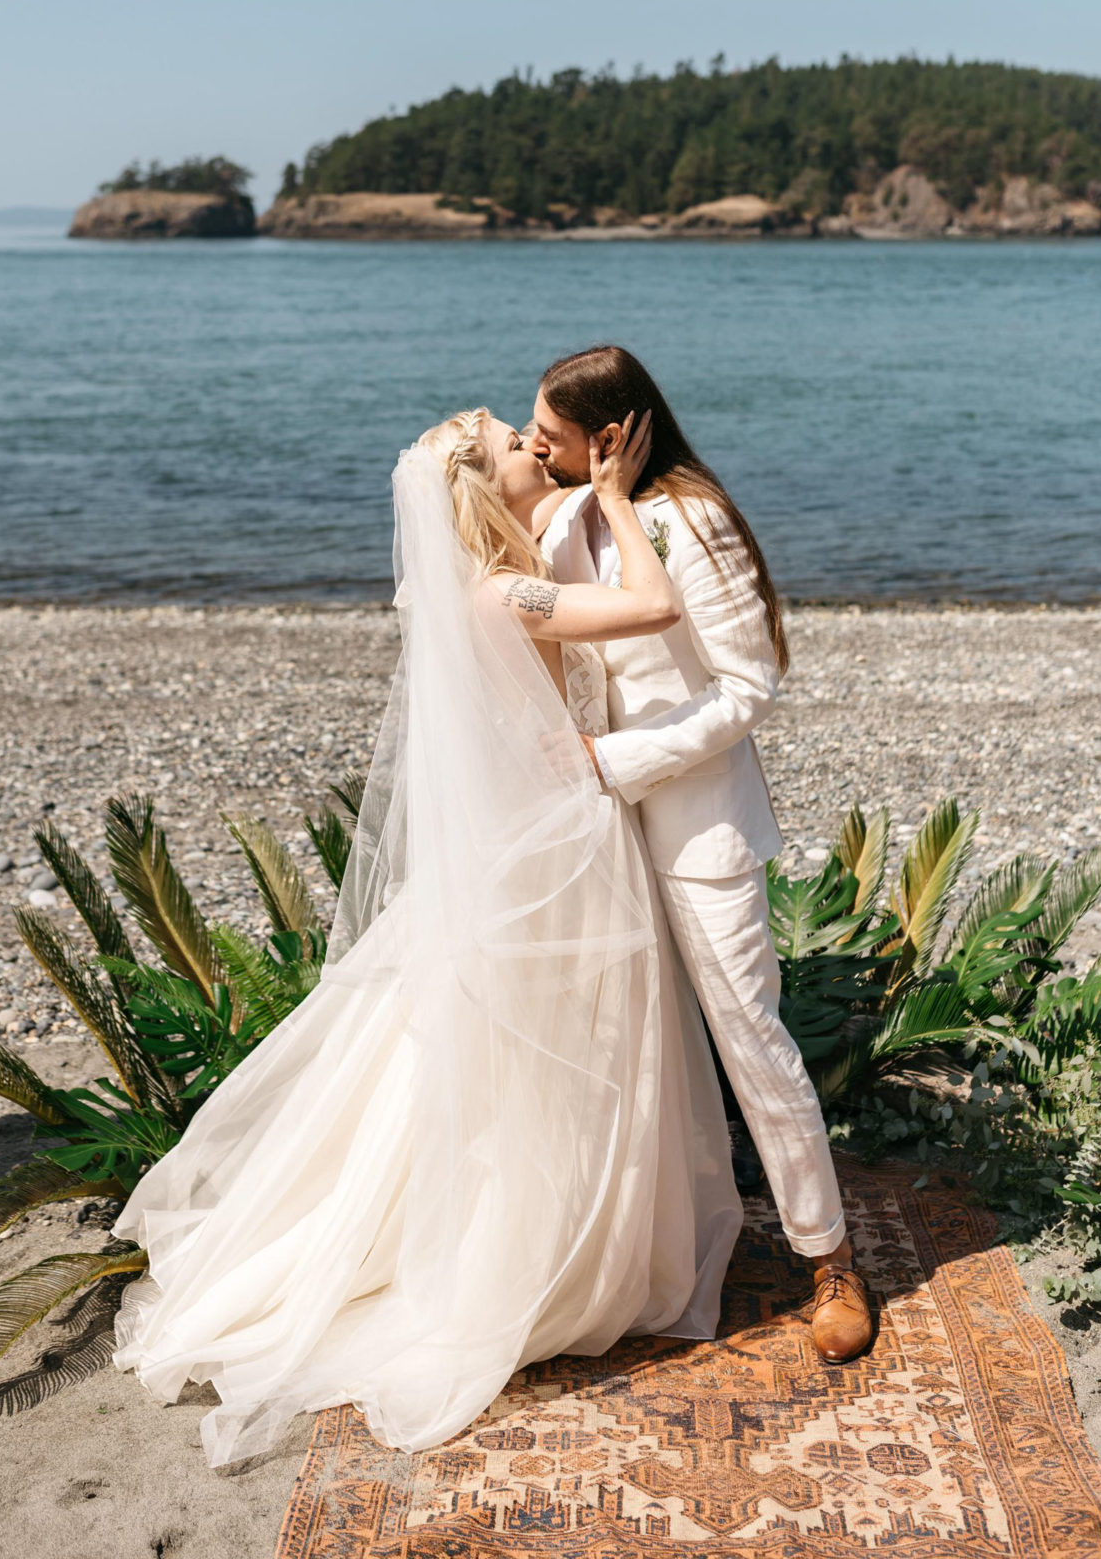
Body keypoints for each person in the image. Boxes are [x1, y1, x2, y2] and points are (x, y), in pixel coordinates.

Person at [112, 408, 744, 1464]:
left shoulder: (467, 581)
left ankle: (547, 1233)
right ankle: (541, 1257)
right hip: (554, 843)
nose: (531, 446)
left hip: (525, 833)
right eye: (512, 443)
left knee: (514, 1060)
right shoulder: (502, 590)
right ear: (480, 488)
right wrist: (626, 501)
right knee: (559, 1059)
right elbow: (652, 604)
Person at [530, 345, 873, 1364]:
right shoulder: (562, 517)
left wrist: (614, 760)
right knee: (624, 1043)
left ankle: (833, 1261)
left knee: (750, 1041)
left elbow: (747, 688)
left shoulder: (697, 519)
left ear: (609, 437)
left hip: (694, 822)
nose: (536, 446)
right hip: (592, 827)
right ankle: (639, 1250)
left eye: (548, 434)